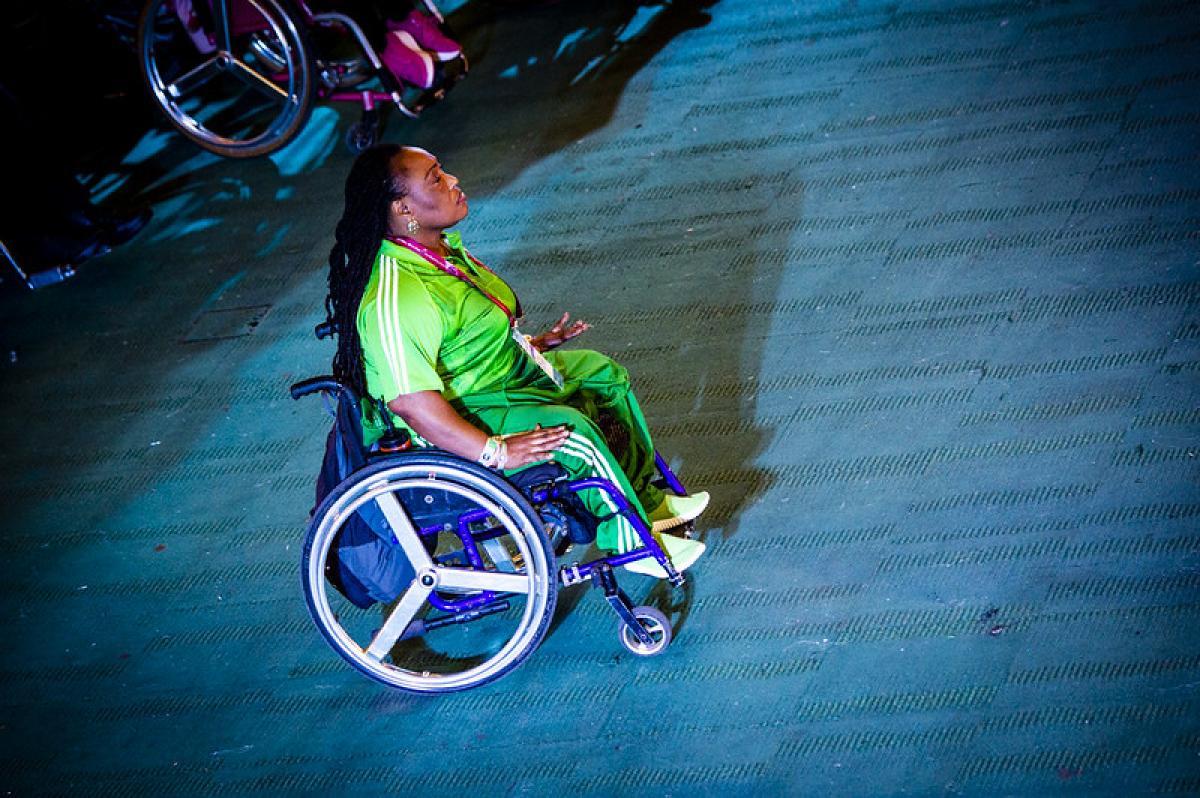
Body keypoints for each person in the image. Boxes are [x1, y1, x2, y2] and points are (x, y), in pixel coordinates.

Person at [324, 144, 708, 578]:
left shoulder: (439, 251)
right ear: (403, 207)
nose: (453, 181)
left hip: (498, 377)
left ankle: (643, 499)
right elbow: (413, 404)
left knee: (603, 375)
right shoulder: (397, 296)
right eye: (435, 177)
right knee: (570, 432)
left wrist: (531, 344)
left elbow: (463, 339)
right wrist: (497, 452)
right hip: (461, 414)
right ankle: (629, 540)